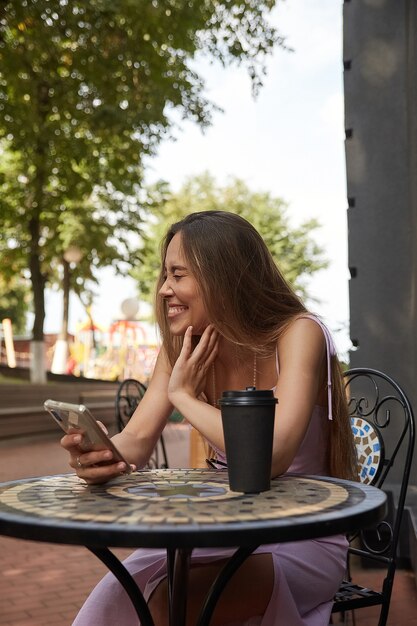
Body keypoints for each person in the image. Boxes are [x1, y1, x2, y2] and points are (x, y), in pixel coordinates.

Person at [61, 210, 357, 626]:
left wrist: (183, 394)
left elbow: (269, 458)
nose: (164, 290)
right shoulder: (182, 345)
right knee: (118, 594)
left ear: (224, 275)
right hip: (216, 526)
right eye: (165, 276)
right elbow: (138, 439)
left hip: (301, 532)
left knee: (174, 602)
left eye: (178, 275)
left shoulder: (298, 333)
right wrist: (97, 454)